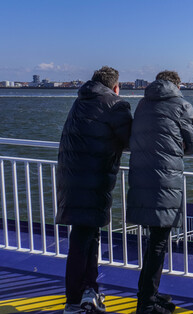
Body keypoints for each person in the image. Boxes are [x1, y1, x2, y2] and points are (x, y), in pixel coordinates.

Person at [56, 66, 132, 314]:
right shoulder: (115, 104)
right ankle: (73, 301)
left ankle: (90, 290)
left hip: (71, 178)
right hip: (94, 179)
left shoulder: (80, 101)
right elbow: (130, 139)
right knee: (81, 240)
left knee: (88, 235)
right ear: (116, 86)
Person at [127, 70, 193, 314]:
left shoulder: (142, 104)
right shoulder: (182, 105)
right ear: (176, 85)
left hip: (140, 176)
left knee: (153, 242)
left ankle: (149, 296)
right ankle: (146, 304)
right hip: (165, 180)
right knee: (158, 243)